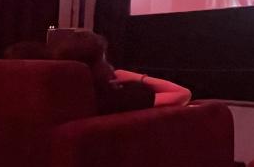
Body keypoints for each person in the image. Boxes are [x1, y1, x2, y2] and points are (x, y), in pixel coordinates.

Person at [50, 31, 191, 112]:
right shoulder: (117, 98)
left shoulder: (54, 97)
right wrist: (137, 77)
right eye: (104, 59)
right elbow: (183, 94)